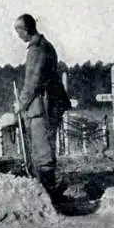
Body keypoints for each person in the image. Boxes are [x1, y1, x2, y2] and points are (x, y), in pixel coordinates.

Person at [13, 14, 71, 195]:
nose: (18, 35)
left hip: (43, 104)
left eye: (18, 30)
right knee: (45, 146)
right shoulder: (45, 45)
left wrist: (20, 104)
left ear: (27, 29)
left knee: (42, 148)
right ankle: (48, 189)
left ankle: (48, 193)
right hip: (49, 102)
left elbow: (33, 81)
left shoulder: (36, 49)